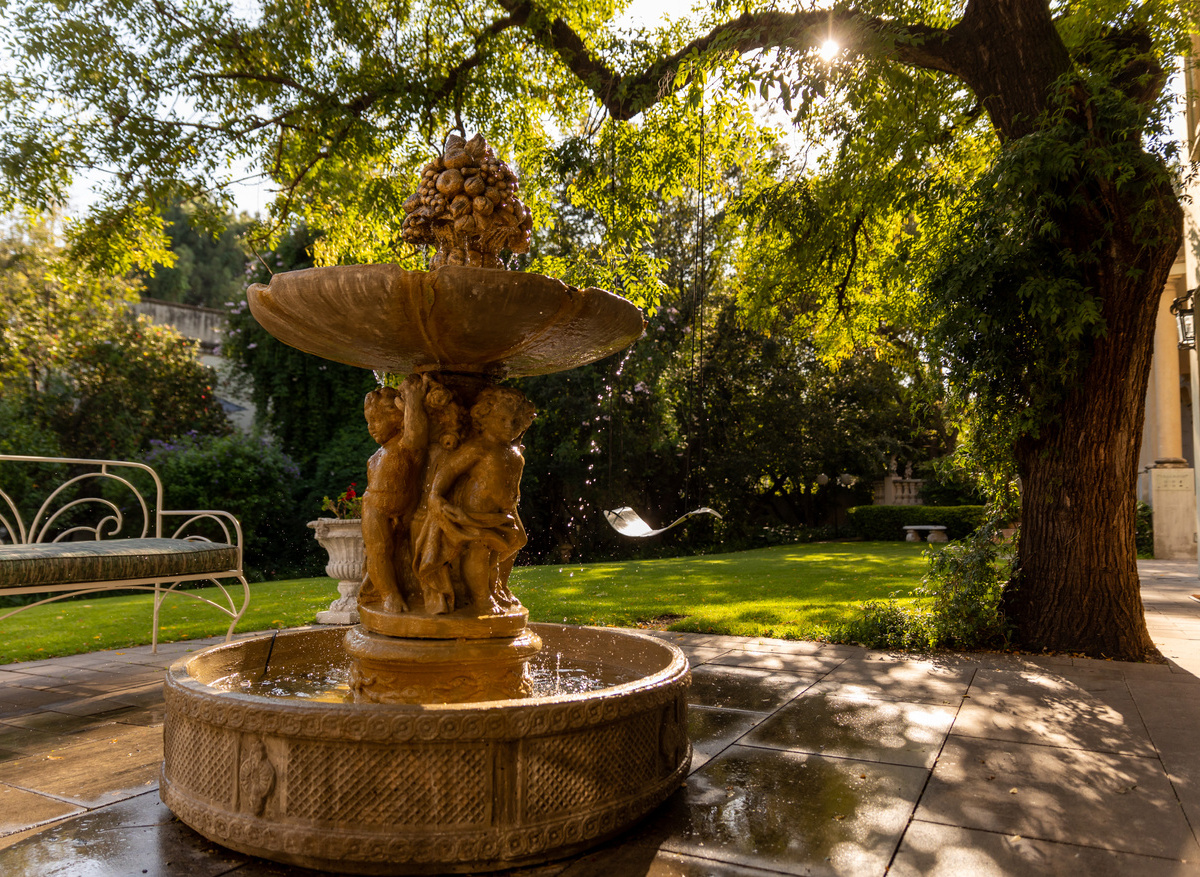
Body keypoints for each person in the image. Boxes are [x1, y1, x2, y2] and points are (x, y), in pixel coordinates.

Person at [417, 386, 535, 615]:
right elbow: (449, 469)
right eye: (501, 419)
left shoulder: (512, 451)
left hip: (505, 512)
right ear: (484, 416)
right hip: (476, 511)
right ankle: (482, 598)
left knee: (517, 541)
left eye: (515, 421)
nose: (509, 426)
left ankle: (496, 583)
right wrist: (435, 495)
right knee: (479, 550)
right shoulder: (479, 447)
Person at [359, 376, 428, 613]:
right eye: (369, 421)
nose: (371, 427)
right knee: (378, 551)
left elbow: (417, 433)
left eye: (377, 420)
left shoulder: (404, 443)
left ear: (398, 419)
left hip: (404, 508)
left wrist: (413, 401)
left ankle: (406, 591)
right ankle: (389, 594)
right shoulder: (377, 455)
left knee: (397, 550)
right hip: (374, 508)